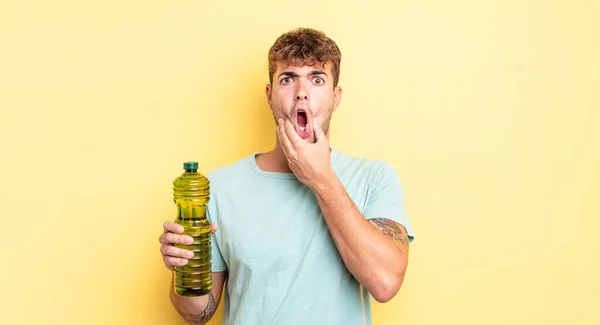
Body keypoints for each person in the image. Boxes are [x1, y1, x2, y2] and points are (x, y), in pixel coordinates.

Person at [158, 27, 415, 325]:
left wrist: (321, 177)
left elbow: (385, 282)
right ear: (269, 95)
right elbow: (198, 314)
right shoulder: (219, 188)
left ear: (335, 97)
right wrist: (184, 267)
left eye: (317, 79)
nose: (302, 92)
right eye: (288, 78)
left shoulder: (374, 178)